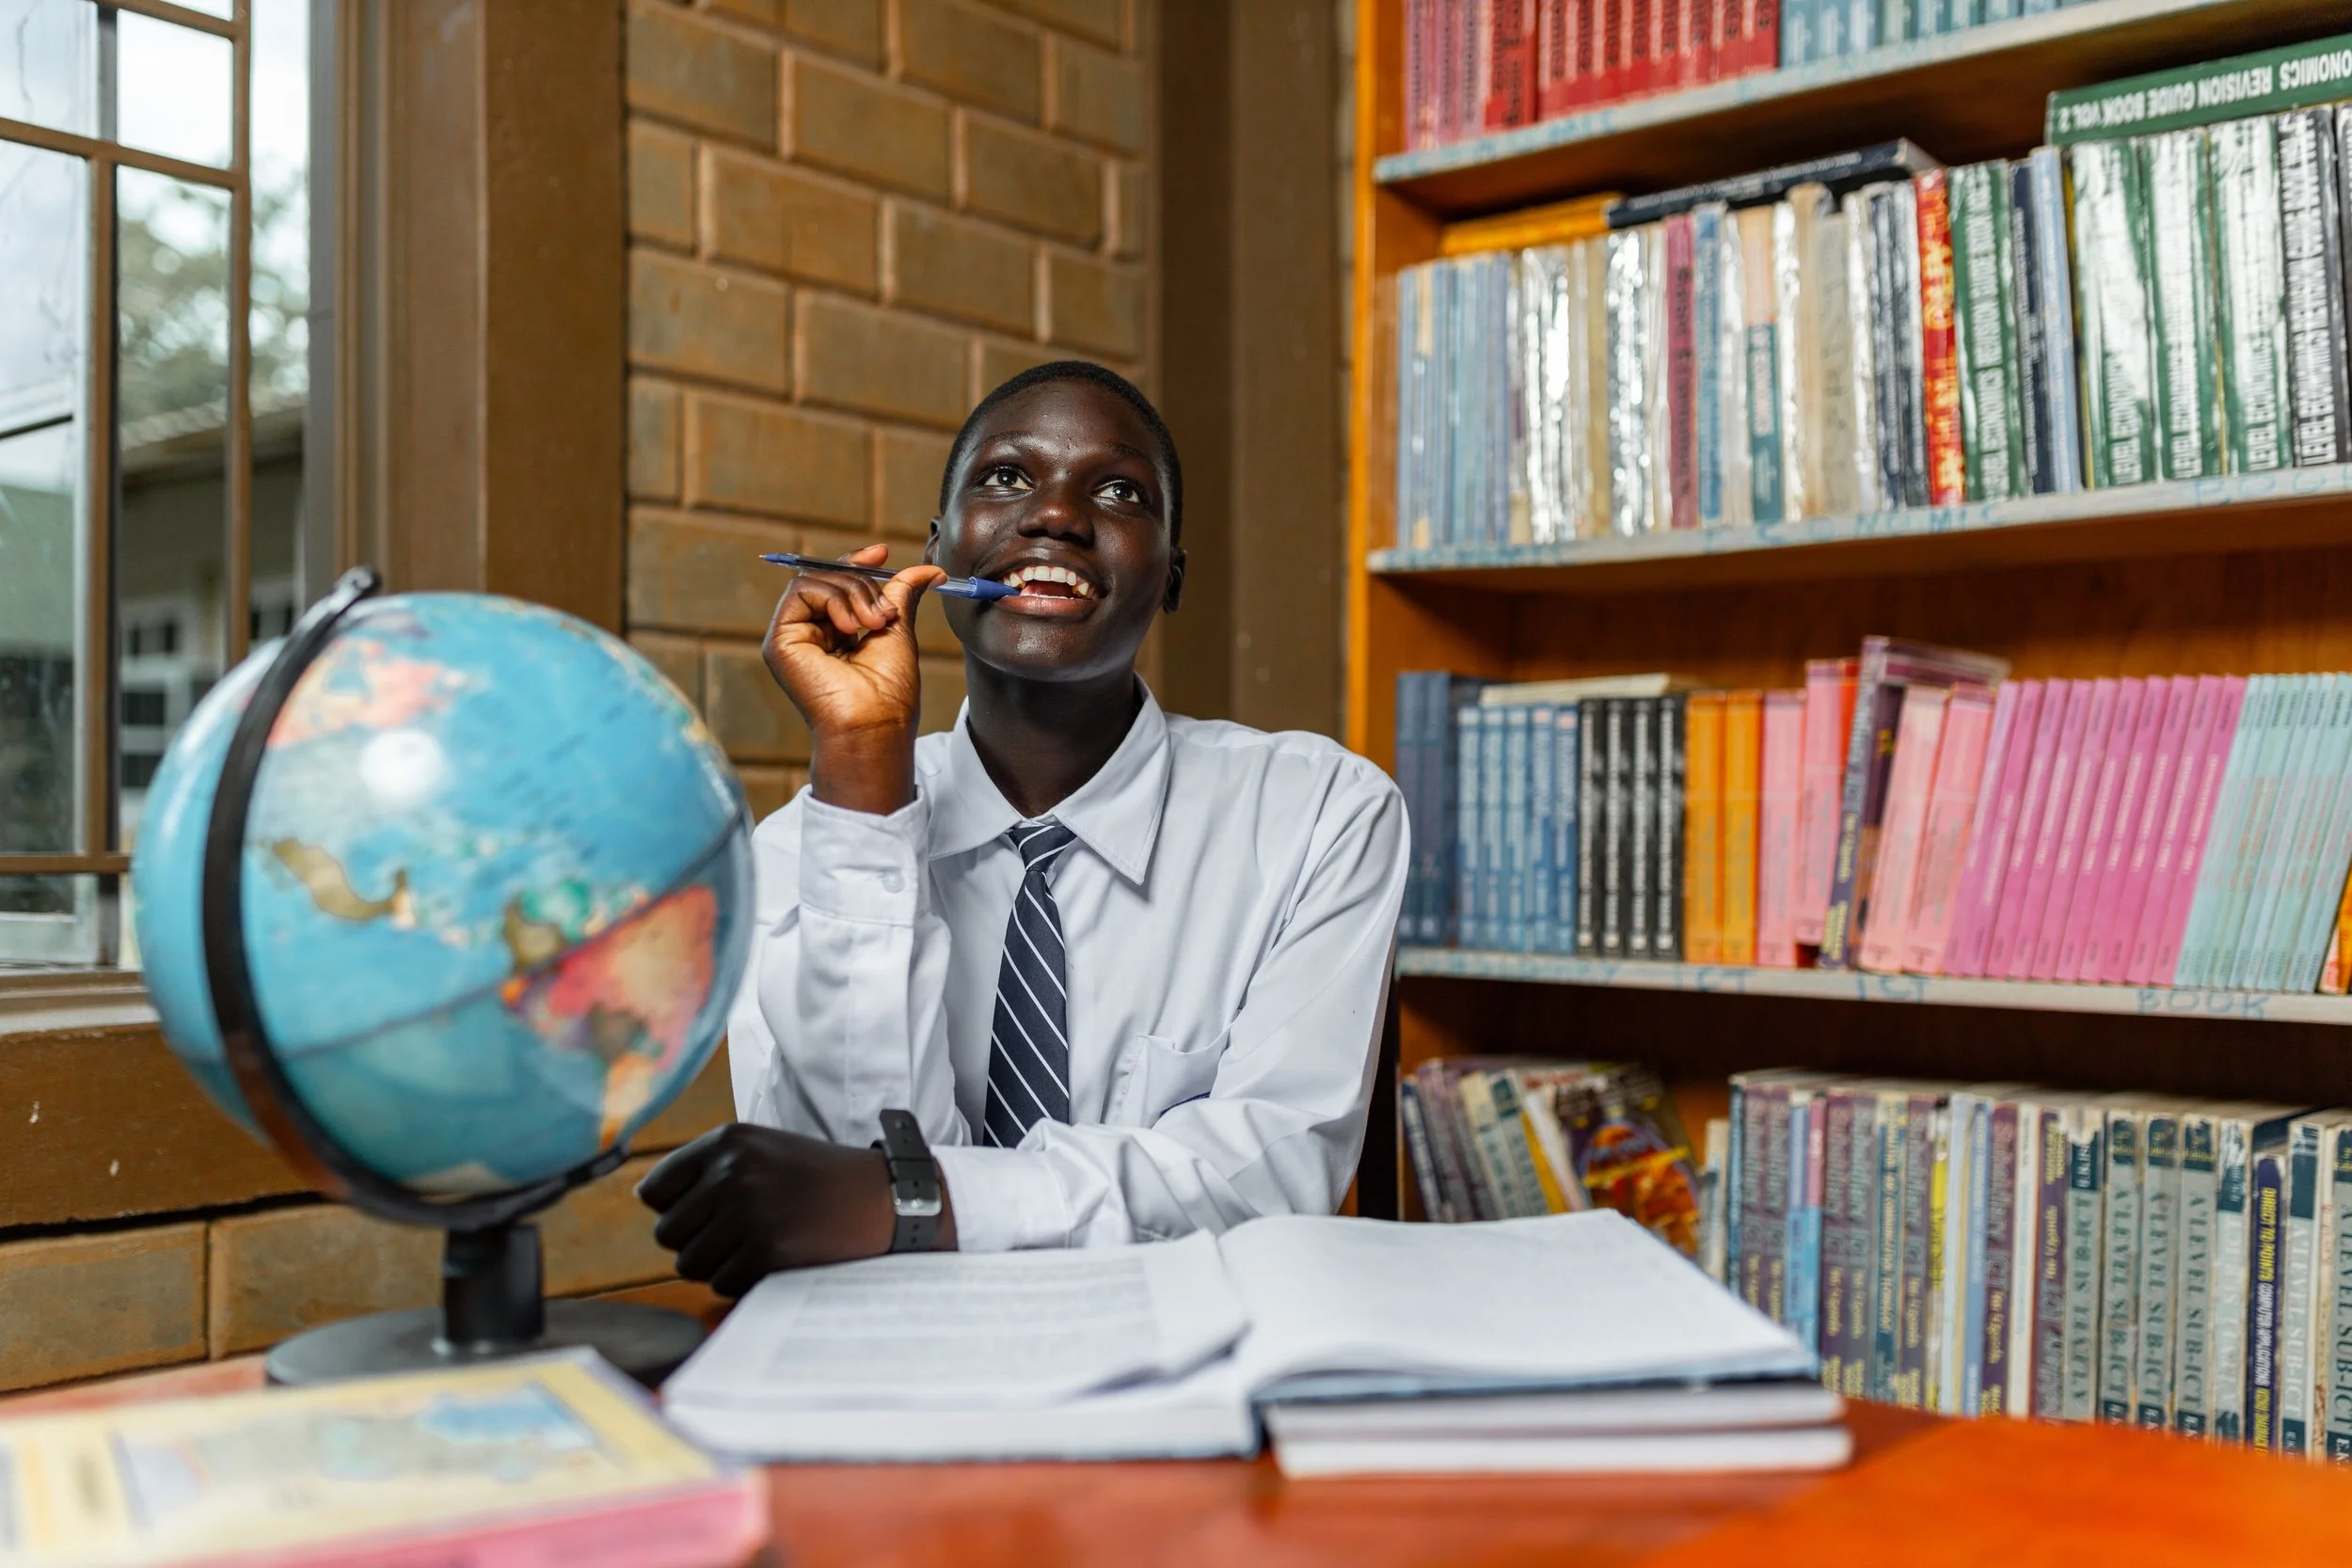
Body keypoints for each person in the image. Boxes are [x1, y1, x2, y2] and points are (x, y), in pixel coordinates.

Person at [638, 362, 1407, 1297]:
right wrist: (864, 764)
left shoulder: (1319, 813)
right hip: (888, 1362)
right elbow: (837, 1201)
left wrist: (920, 1199)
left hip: (1187, 1357)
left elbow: (1268, 1181)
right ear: (941, 549)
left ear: (1170, 576)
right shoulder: (809, 846)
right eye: (1005, 478)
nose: (1055, 515)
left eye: (1119, 491)